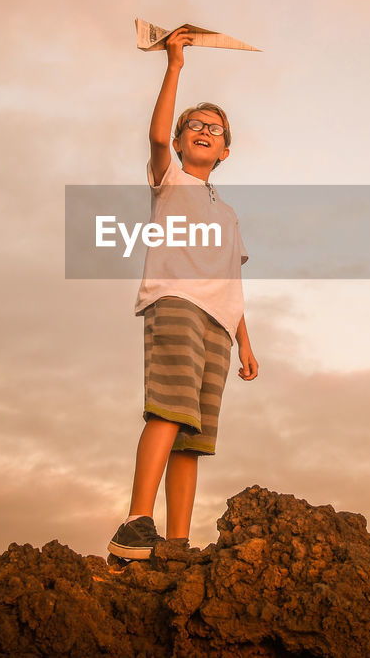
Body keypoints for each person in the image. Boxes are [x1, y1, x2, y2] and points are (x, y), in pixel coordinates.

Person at [107, 27, 259, 560]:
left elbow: (232, 279)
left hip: (219, 322)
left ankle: (176, 543)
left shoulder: (229, 213)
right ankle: (134, 524)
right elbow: (152, 136)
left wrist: (246, 341)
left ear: (225, 151)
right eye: (193, 125)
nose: (203, 130)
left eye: (214, 129)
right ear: (178, 142)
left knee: (192, 437)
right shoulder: (169, 176)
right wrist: (174, 64)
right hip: (174, 302)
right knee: (168, 411)